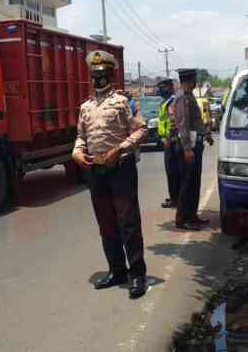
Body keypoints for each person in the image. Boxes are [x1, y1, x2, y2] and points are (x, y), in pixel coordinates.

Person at [72, 50, 148, 299]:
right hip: (96, 170)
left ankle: (137, 274)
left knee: (128, 222)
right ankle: (117, 270)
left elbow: (141, 130)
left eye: (102, 74)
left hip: (121, 167)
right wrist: (77, 151)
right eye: (94, 75)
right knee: (106, 223)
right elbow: (81, 136)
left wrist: (120, 149)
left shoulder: (124, 102)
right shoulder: (85, 107)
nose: (98, 79)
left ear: (111, 75)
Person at [174, 69, 214, 231]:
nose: (196, 82)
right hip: (187, 146)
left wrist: (206, 134)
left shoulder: (189, 95)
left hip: (194, 144)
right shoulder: (182, 97)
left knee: (194, 182)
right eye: (194, 79)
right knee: (186, 184)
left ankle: (192, 215)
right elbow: (183, 125)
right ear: (189, 80)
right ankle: (182, 219)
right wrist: (187, 148)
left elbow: (196, 121)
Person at [156, 77, 180, 209]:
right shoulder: (165, 102)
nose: (160, 90)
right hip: (167, 140)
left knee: (173, 172)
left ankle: (176, 199)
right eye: (159, 87)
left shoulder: (172, 101)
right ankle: (174, 197)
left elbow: (173, 122)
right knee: (171, 172)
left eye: (162, 87)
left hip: (171, 141)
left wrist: (168, 139)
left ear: (170, 87)